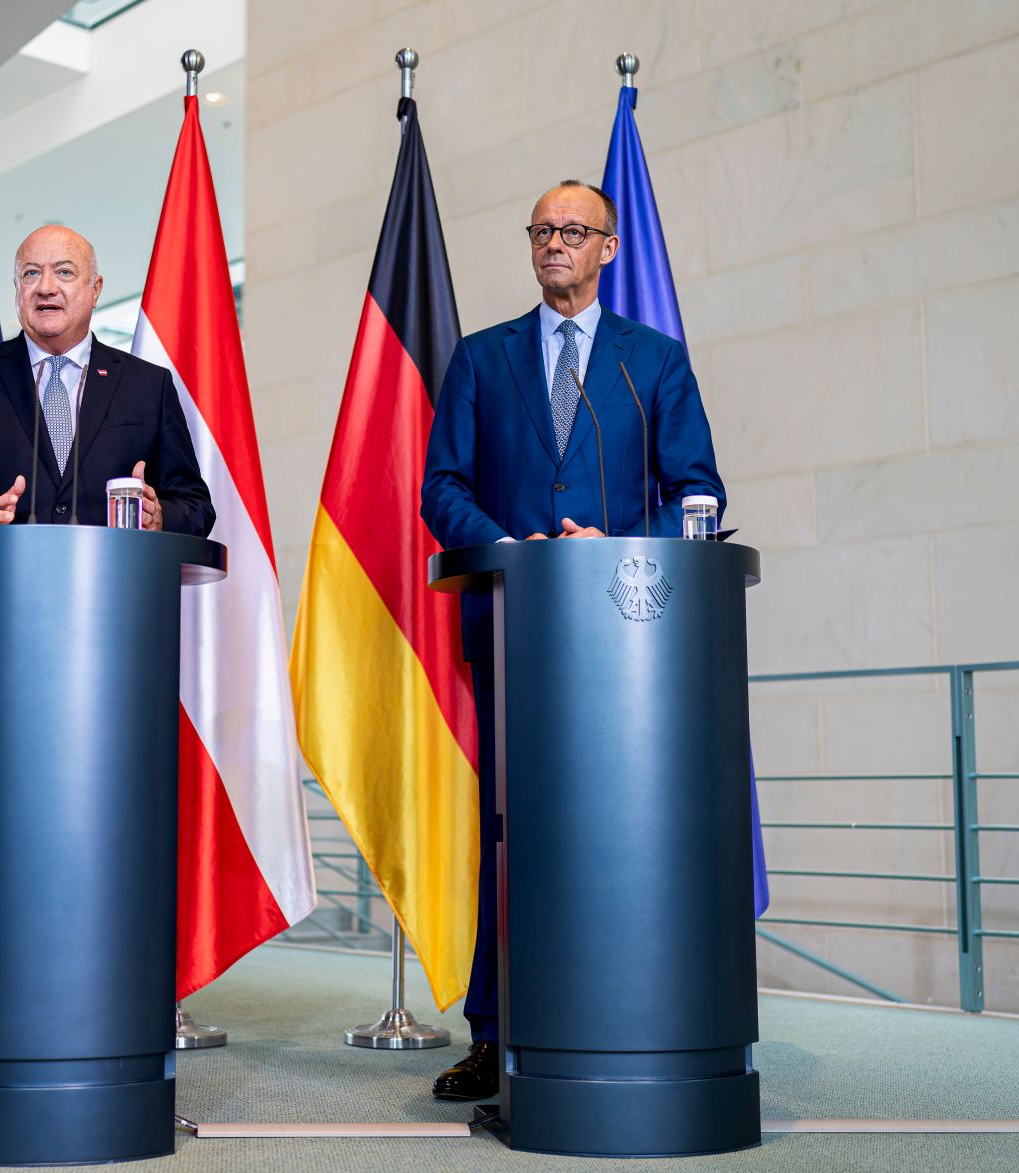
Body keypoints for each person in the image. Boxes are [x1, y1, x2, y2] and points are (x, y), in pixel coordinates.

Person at [419, 179, 725, 1102]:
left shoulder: (652, 362)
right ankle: (494, 1032)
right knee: (508, 832)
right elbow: (442, 486)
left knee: (620, 827)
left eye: (574, 231)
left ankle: (624, 1016)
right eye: (543, 230)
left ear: (609, 248)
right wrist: (512, 551)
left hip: (629, 640)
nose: (555, 243)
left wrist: (614, 547)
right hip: (513, 629)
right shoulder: (480, 359)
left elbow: (697, 491)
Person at [0, 224, 214, 536]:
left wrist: (159, 518)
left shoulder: (149, 385)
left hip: (113, 569)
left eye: (64, 272)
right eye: (31, 273)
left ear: (95, 289)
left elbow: (196, 505)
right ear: (17, 288)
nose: (46, 287)